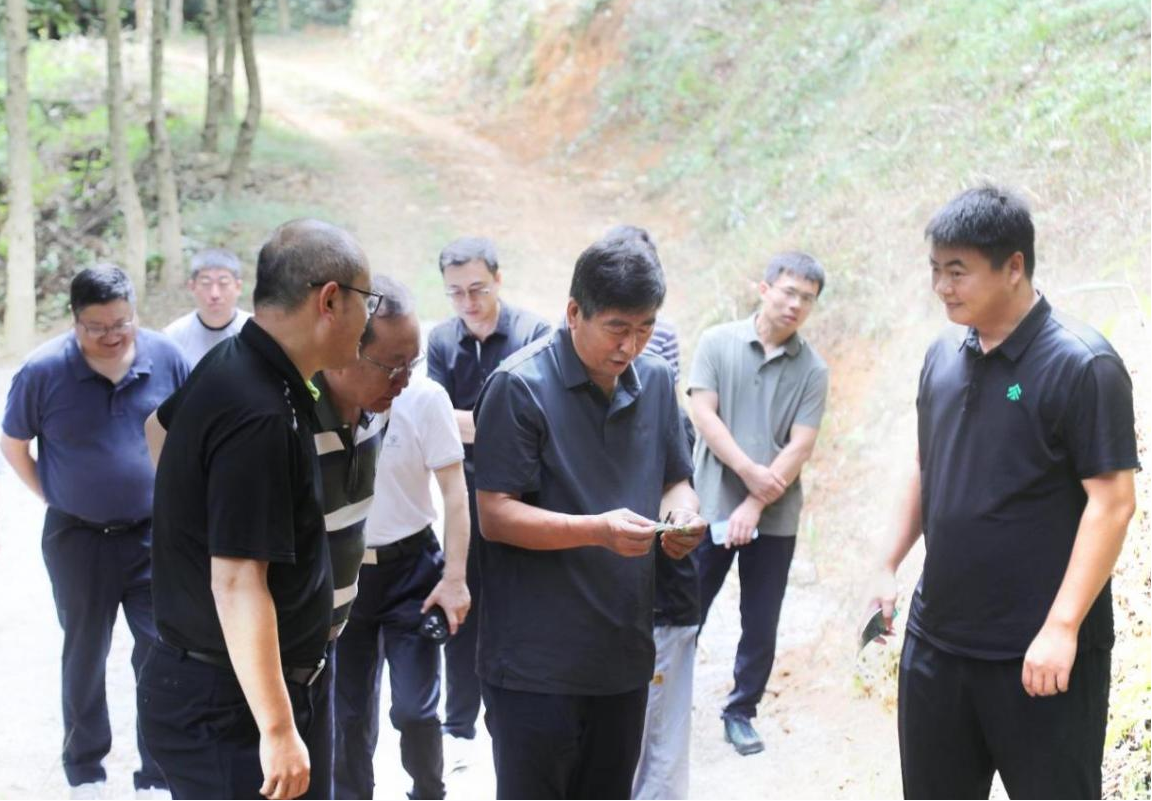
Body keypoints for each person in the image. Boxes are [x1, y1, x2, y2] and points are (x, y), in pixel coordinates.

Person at [870, 185, 1138, 799]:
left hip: (1040, 656)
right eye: (935, 270)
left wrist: (1062, 628)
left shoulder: (1082, 365)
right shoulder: (942, 354)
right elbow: (924, 462)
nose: (942, 287)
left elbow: (1113, 502)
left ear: (1014, 266)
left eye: (957, 271)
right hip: (937, 644)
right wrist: (887, 561)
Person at [137, 218, 375, 800]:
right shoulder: (258, 409)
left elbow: (157, 430)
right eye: (366, 302)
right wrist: (277, 729)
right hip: (228, 707)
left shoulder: (239, 361)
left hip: (239, 685)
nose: (368, 319)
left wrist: (194, 521)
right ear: (330, 301)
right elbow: (238, 580)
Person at [472, 228, 706, 800]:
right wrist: (597, 531)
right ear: (574, 312)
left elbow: (676, 478)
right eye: (617, 328)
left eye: (645, 328)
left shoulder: (656, 381)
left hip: (622, 654)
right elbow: (496, 515)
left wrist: (682, 517)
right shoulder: (519, 386)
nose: (630, 346)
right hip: (534, 665)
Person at [1, 264, 188, 800]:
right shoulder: (43, 371)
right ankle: (85, 770)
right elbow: (14, 445)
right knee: (84, 652)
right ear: (75, 321)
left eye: (121, 323)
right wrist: (53, 493)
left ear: (134, 312)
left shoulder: (166, 357)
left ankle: (156, 774)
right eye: (97, 327)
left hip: (153, 535)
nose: (112, 336)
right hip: (77, 538)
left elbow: (192, 430)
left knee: (160, 649)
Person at [688, 251, 829, 756]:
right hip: (708, 504)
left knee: (761, 618)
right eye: (789, 292)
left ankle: (741, 711)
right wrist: (748, 473)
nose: (796, 305)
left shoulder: (812, 369)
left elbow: (801, 445)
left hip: (774, 516)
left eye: (807, 298)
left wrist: (753, 503)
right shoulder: (717, 342)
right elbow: (703, 413)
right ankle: (665, 697)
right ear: (765, 288)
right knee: (686, 608)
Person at [334, 280, 470, 800]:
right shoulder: (328, 394)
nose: (404, 375)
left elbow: (455, 494)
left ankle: (428, 791)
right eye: (393, 362)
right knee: (346, 714)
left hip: (412, 570)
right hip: (344, 574)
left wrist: (454, 578)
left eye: (411, 361)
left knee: (415, 711)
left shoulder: (425, 398)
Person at [425, 236, 551, 752]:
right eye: (455, 292)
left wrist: (469, 424)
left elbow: (539, 417)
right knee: (461, 598)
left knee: (524, 600)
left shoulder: (533, 332)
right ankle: (458, 724)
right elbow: (432, 419)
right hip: (461, 489)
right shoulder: (440, 340)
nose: (468, 302)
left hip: (525, 490)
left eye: (477, 288)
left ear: (498, 279)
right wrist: (497, 424)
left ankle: (519, 712)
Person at [163, 247, 252, 366]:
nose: (215, 294)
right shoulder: (173, 336)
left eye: (223, 283)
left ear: (238, 287)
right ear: (192, 286)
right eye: (206, 284)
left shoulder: (256, 331)